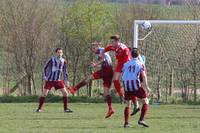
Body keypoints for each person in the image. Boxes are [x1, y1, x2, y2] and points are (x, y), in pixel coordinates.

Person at [69, 42, 115, 118]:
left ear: (98, 46)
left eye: (94, 48)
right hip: (109, 71)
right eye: (92, 48)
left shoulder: (101, 50)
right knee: (106, 93)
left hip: (106, 70)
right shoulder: (100, 52)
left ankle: (74, 89)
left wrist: (95, 65)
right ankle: (110, 109)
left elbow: (103, 59)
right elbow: (104, 62)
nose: (93, 49)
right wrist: (96, 66)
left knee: (89, 78)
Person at [36, 48, 73, 113]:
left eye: (61, 52)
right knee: (44, 94)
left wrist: (66, 80)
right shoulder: (52, 60)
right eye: (58, 52)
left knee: (65, 93)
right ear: (56, 53)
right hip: (50, 80)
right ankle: (39, 109)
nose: (60, 54)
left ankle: (66, 109)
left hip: (58, 80)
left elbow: (65, 71)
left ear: (62, 53)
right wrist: (44, 76)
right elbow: (44, 68)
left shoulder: (63, 61)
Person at [122, 48, 150, 128]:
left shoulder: (126, 64)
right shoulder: (140, 64)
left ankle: (126, 123)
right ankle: (141, 119)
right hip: (135, 86)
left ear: (130, 55)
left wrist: (122, 85)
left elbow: (123, 74)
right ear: (138, 55)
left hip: (126, 85)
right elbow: (144, 76)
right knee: (145, 101)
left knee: (128, 104)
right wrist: (146, 87)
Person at [102, 35, 131, 103]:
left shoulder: (124, 49)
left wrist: (122, 72)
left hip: (126, 65)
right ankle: (121, 95)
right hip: (120, 64)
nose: (111, 43)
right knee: (115, 80)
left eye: (113, 42)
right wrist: (101, 54)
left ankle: (130, 97)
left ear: (117, 41)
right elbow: (106, 49)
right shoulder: (113, 46)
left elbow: (126, 61)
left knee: (126, 82)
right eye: (111, 42)